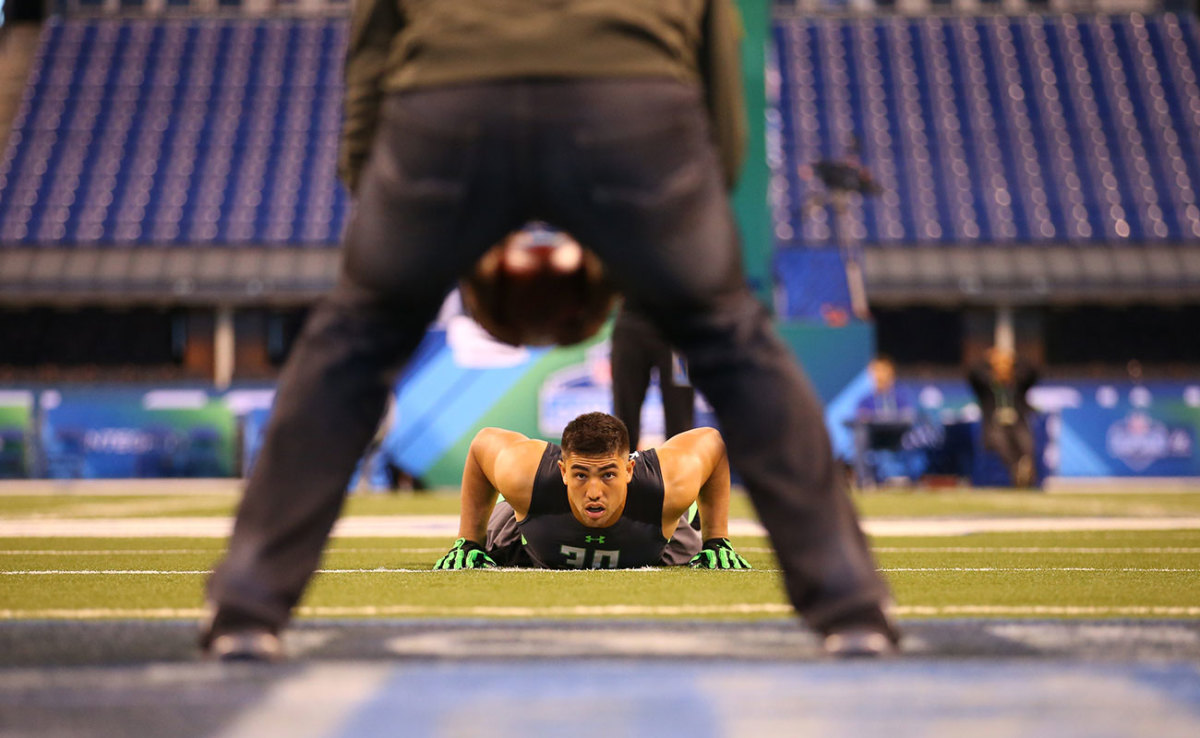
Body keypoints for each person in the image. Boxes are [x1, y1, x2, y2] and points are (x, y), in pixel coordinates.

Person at [202, 0, 897, 661]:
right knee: (730, 339)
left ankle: (246, 609)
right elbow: (716, 45)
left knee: (357, 336)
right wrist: (703, 205)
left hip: (450, 94)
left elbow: (373, 44)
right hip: (631, 93)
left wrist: (372, 197)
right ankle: (851, 608)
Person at [433, 412, 749, 570]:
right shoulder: (526, 477)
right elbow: (482, 444)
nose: (594, 491)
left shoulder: (668, 485)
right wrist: (469, 540)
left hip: (661, 540)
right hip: (526, 537)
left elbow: (713, 443)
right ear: (562, 471)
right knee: (490, 542)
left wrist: (717, 538)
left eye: (608, 474)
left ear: (629, 470)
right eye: (581, 474)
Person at [610, 305, 695, 451]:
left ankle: (680, 470)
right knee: (623, 417)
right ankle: (621, 469)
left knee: (681, 418)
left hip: (678, 332)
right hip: (630, 324)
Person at [968, 347, 1039, 488]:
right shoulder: (987, 387)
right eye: (999, 365)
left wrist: (1015, 359)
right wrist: (987, 359)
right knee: (999, 440)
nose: (1002, 368)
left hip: (1017, 423)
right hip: (995, 425)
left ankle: (1025, 468)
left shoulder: (1017, 385)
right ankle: (1017, 469)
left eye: (1005, 365)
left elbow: (1034, 371)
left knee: (1025, 440)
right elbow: (971, 373)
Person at [851, 356, 920, 487]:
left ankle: (911, 478)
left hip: (898, 435)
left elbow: (909, 416)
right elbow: (861, 417)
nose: (879, 376)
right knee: (859, 435)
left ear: (891, 373)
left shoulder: (902, 395)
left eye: (882, 371)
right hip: (875, 437)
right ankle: (866, 481)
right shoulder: (866, 400)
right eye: (875, 372)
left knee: (913, 433)